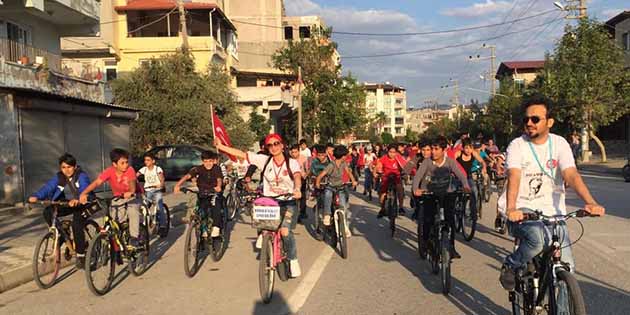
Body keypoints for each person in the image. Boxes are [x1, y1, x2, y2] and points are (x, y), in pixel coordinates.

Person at [497, 95, 605, 297]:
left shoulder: (560, 144)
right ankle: (510, 265)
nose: (529, 123)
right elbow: (514, 176)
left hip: (553, 213)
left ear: (550, 122)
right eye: (526, 119)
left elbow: (571, 174)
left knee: (567, 268)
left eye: (535, 119)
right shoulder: (517, 145)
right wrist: (512, 209)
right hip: (522, 209)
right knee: (537, 241)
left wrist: (590, 203)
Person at [215, 133, 304, 278]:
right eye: (270, 145)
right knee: (260, 214)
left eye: (276, 144)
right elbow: (242, 154)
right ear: (267, 148)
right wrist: (221, 146)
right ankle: (264, 233)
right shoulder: (264, 160)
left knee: (285, 231)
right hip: (270, 201)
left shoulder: (291, 162)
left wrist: (297, 189)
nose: (274, 147)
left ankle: (293, 260)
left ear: (282, 145)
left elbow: (297, 176)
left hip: (288, 201)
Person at [29, 153, 93, 269]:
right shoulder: (59, 177)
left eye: (69, 167)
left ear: (74, 166)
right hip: (66, 203)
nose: (66, 170)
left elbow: (85, 188)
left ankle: (81, 255)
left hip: (83, 204)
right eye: (63, 167)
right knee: (47, 211)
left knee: (76, 224)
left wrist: (79, 199)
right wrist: (36, 196)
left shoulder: (81, 176)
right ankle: (62, 235)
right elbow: (48, 187)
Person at [412, 137, 471, 259]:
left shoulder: (450, 162)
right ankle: (426, 242)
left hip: (446, 194)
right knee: (427, 220)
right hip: (429, 193)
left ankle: (451, 247)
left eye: (436, 149)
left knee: (450, 220)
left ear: (443, 150)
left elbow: (461, 175)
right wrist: (415, 189)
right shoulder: (427, 162)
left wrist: (465, 186)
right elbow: (417, 177)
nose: (433, 152)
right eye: (432, 149)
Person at [80, 149, 143, 248]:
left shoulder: (130, 170)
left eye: (126, 162)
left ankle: (134, 237)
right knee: (115, 217)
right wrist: (84, 193)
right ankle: (120, 239)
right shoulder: (109, 171)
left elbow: (132, 184)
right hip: (118, 198)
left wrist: (131, 192)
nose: (125, 165)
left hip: (133, 196)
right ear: (114, 164)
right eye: (122, 163)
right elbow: (97, 182)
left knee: (132, 211)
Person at [174, 150, 224, 238]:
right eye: (205, 161)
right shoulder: (199, 168)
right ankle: (203, 229)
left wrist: (218, 186)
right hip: (202, 191)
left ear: (213, 161)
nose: (208, 163)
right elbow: (187, 176)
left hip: (214, 191)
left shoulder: (217, 168)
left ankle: (216, 227)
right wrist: (178, 185)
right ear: (202, 161)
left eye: (210, 161)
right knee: (201, 209)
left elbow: (219, 179)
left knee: (215, 205)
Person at [315, 145, 358, 237]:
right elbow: (321, 175)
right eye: (345, 155)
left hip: (340, 187)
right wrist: (318, 183)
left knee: (343, 207)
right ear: (342, 156)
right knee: (327, 195)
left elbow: (349, 172)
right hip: (330, 187)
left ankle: (344, 226)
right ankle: (327, 215)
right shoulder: (331, 165)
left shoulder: (344, 164)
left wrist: (353, 181)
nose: (346, 157)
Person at [454, 139, 488, 218]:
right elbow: (451, 162)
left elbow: (482, 162)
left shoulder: (473, 153)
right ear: (462, 148)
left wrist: (484, 168)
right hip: (457, 177)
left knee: (474, 191)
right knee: (452, 192)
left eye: (470, 148)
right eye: (466, 148)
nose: (468, 150)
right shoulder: (458, 153)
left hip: (468, 177)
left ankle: (473, 211)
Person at [137, 153, 168, 237]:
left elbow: (162, 179)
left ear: (153, 161)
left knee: (159, 207)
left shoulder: (157, 169)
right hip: (148, 191)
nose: (146, 162)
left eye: (148, 160)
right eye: (145, 160)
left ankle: (162, 226)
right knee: (143, 208)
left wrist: (160, 184)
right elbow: (135, 176)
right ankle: (143, 226)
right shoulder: (144, 169)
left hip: (157, 190)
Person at [375, 144, 405, 218]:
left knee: (400, 191)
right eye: (390, 152)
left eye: (394, 152)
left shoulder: (399, 158)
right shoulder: (384, 158)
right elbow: (378, 166)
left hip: (397, 178)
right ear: (387, 151)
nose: (392, 154)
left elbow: (405, 166)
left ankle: (401, 207)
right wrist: (377, 172)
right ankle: (382, 209)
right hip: (386, 178)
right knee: (382, 193)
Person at [290, 144, 309, 223]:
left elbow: (307, 169)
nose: (294, 154)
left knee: (302, 196)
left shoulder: (304, 158)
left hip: (302, 178)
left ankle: (302, 212)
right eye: (292, 152)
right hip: (292, 180)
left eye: (296, 152)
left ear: (299, 151)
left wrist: (305, 175)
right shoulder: (289, 159)